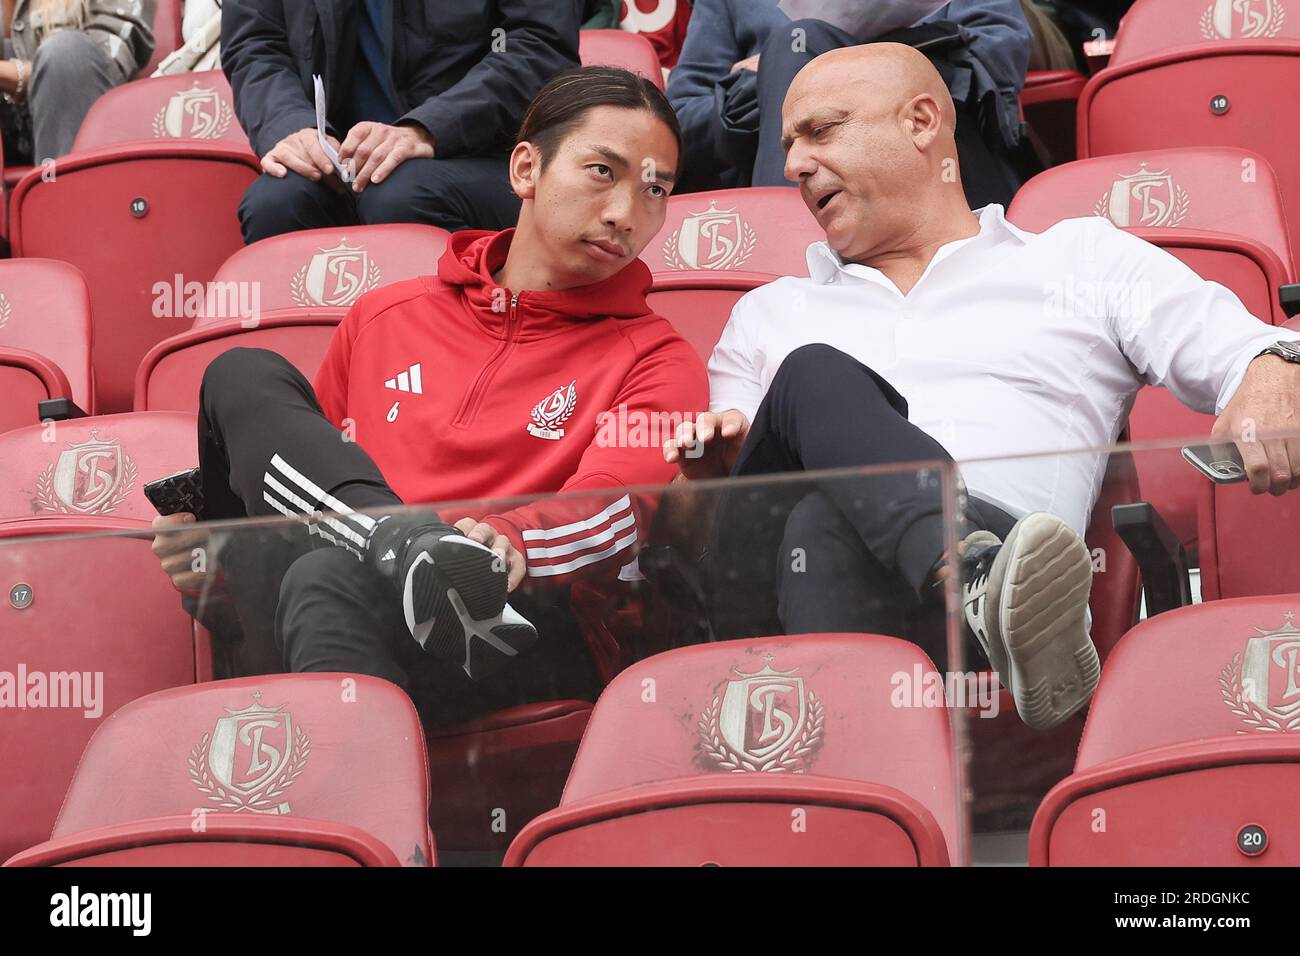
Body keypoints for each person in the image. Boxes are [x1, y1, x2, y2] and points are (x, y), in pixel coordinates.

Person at [663, 44, 1300, 731]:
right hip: (768, 601)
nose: (792, 164)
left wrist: (1271, 367)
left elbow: (1249, 346)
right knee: (814, 379)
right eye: (787, 145)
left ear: (921, 122)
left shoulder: (1079, 259)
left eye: (821, 131)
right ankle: (969, 573)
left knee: (827, 524)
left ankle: (849, 799)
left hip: (1025, 604)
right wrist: (707, 478)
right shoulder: (768, 309)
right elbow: (698, 540)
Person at [152, 67, 707, 726]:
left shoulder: (658, 357)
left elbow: (613, 514)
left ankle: (348, 821)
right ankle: (405, 544)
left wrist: (511, 543)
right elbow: (305, 504)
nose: (627, 212)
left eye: (655, 190)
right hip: (340, 591)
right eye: (601, 172)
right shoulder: (385, 315)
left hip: (511, 624)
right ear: (526, 169)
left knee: (326, 576)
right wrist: (212, 569)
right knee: (240, 373)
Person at [222, 0, 580, 244]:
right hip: (340, 163)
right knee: (275, 202)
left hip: (486, 158)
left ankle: (446, 351)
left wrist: (428, 128)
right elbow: (256, 44)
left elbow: (538, 45)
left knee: (401, 196)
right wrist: (290, 126)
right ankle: (299, 354)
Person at [666, 0, 1032, 204]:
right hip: (775, 151)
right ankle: (794, 255)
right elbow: (682, 122)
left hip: (926, 158)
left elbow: (998, 57)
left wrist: (844, 60)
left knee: (802, 42)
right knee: (794, 42)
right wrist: (771, 78)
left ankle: (791, 257)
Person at [0, 0, 155, 162]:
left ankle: (68, 185)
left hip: (76, 122)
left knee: (66, 53)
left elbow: (102, 64)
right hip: (9, 130)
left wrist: (15, 74)